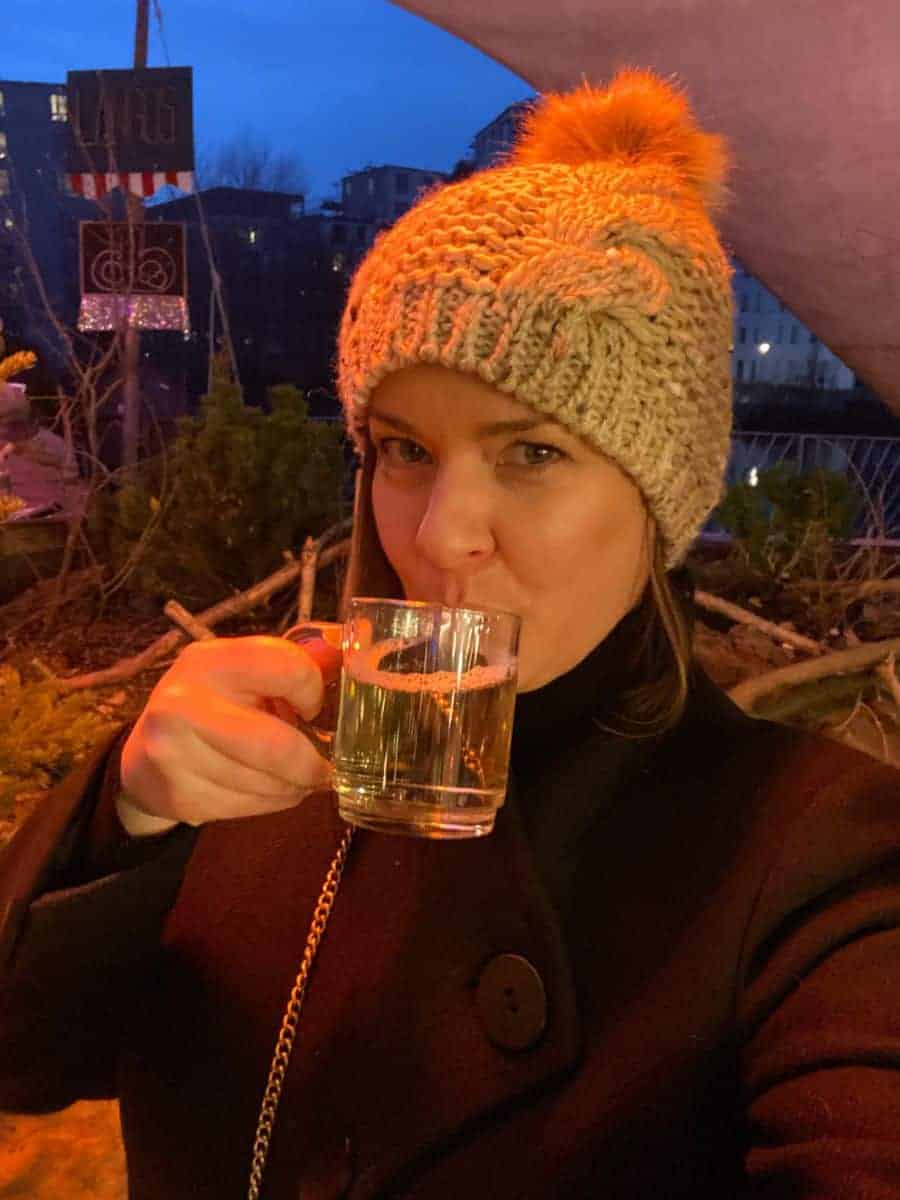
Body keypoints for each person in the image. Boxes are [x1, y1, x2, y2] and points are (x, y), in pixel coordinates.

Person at [2, 68, 899, 1200]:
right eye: (405, 450)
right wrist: (127, 814)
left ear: (659, 490)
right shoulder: (264, 762)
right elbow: (27, 1057)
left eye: (533, 453)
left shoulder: (816, 861)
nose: (440, 535)